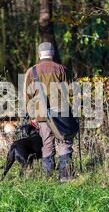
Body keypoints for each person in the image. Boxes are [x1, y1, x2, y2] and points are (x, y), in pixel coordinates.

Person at [24, 42, 74, 182]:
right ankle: (66, 177)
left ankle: (48, 179)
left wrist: (32, 116)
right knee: (64, 143)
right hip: (61, 113)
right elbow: (68, 91)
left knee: (47, 144)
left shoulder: (31, 71)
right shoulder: (61, 69)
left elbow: (27, 97)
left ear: (39, 54)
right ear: (52, 53)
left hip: (41, 114)